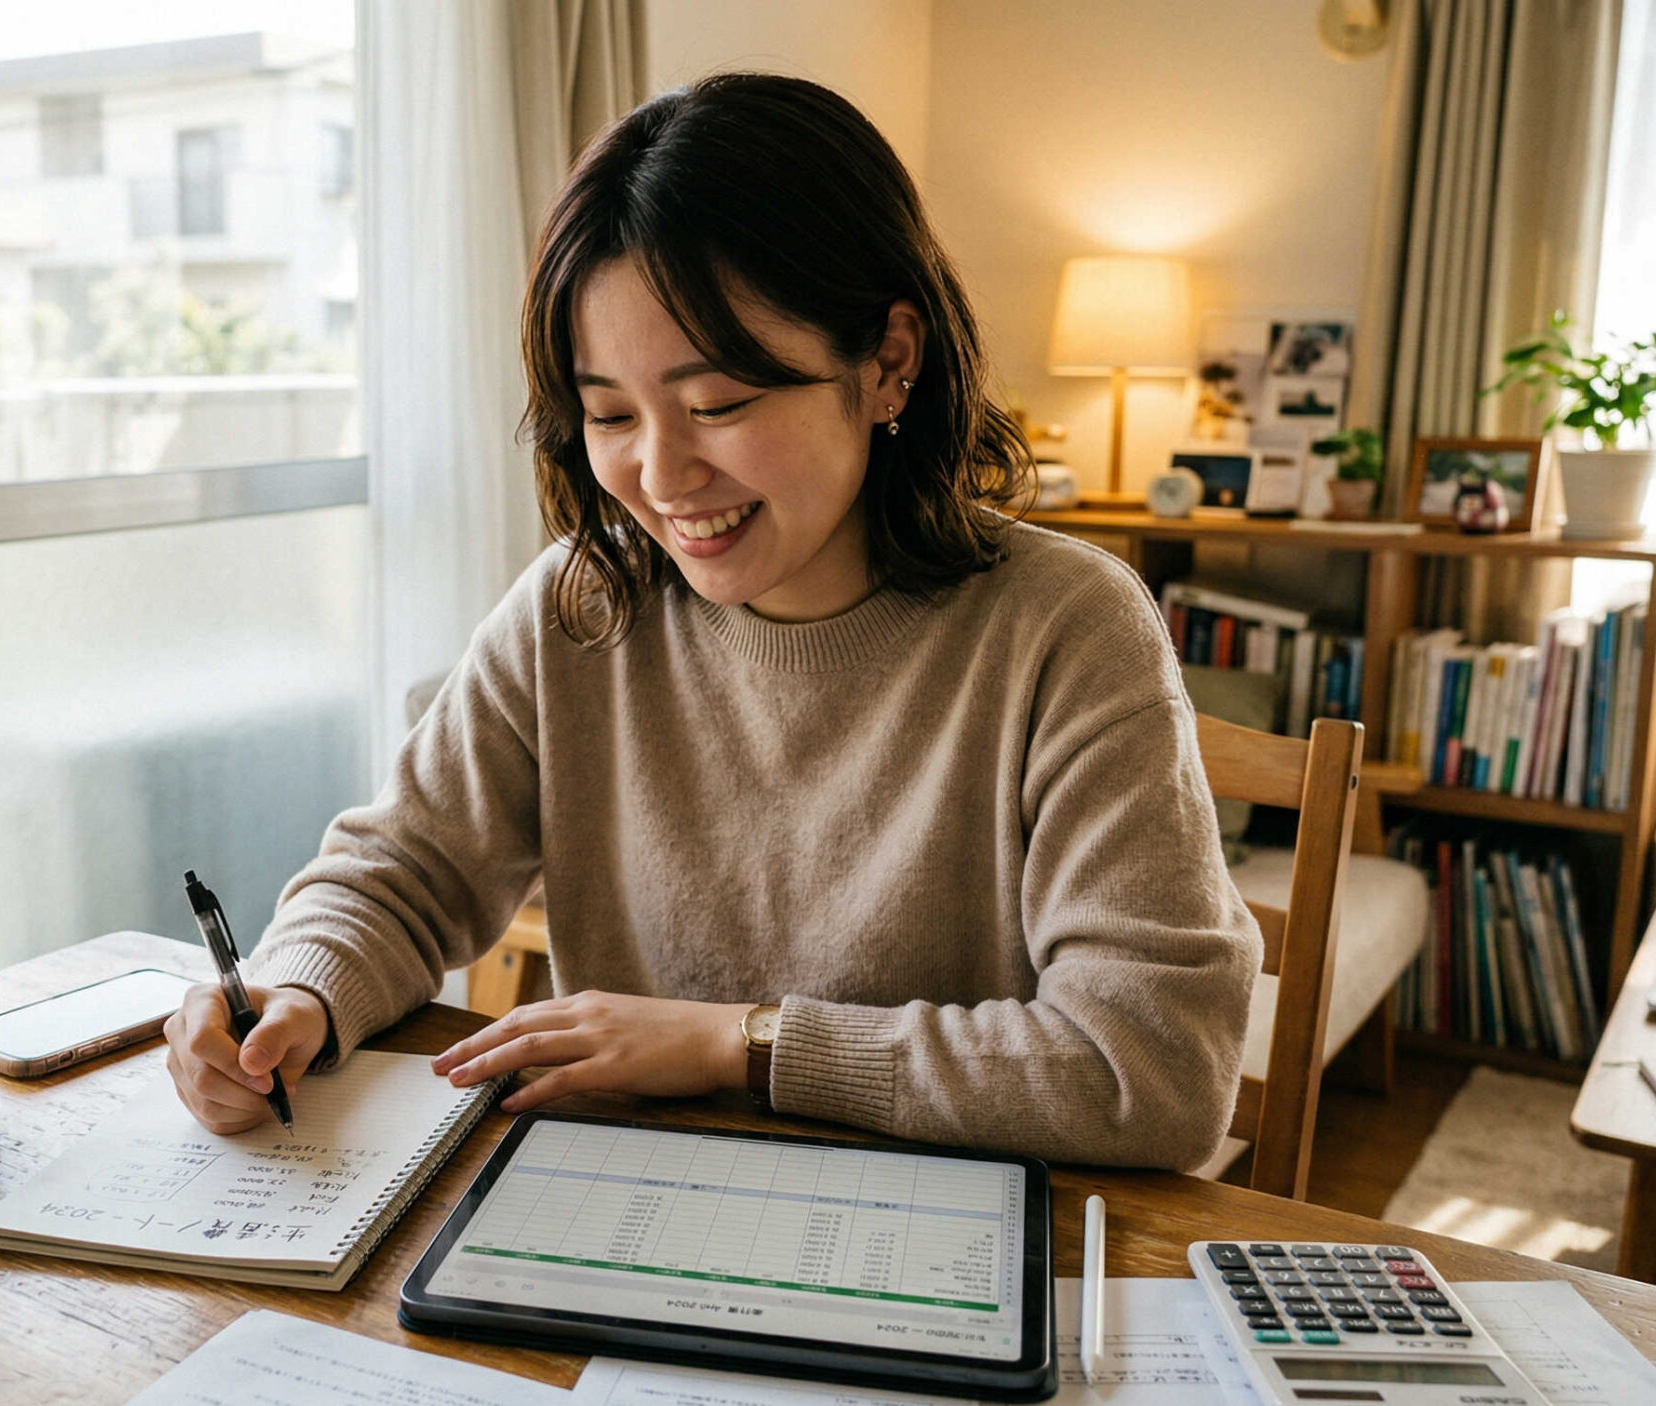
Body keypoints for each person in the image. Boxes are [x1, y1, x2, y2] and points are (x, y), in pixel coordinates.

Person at [164, 73, 1260, 1170]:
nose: (661, 472)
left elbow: (1151, 1069)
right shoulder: (581, 605)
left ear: (888, 362)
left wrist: (739, 1044)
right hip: (621, 1214)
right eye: (607, 414)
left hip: (935, 1246)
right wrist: (294, 987)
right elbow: (404, 871)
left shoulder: (1064, 625)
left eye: (718, 404)